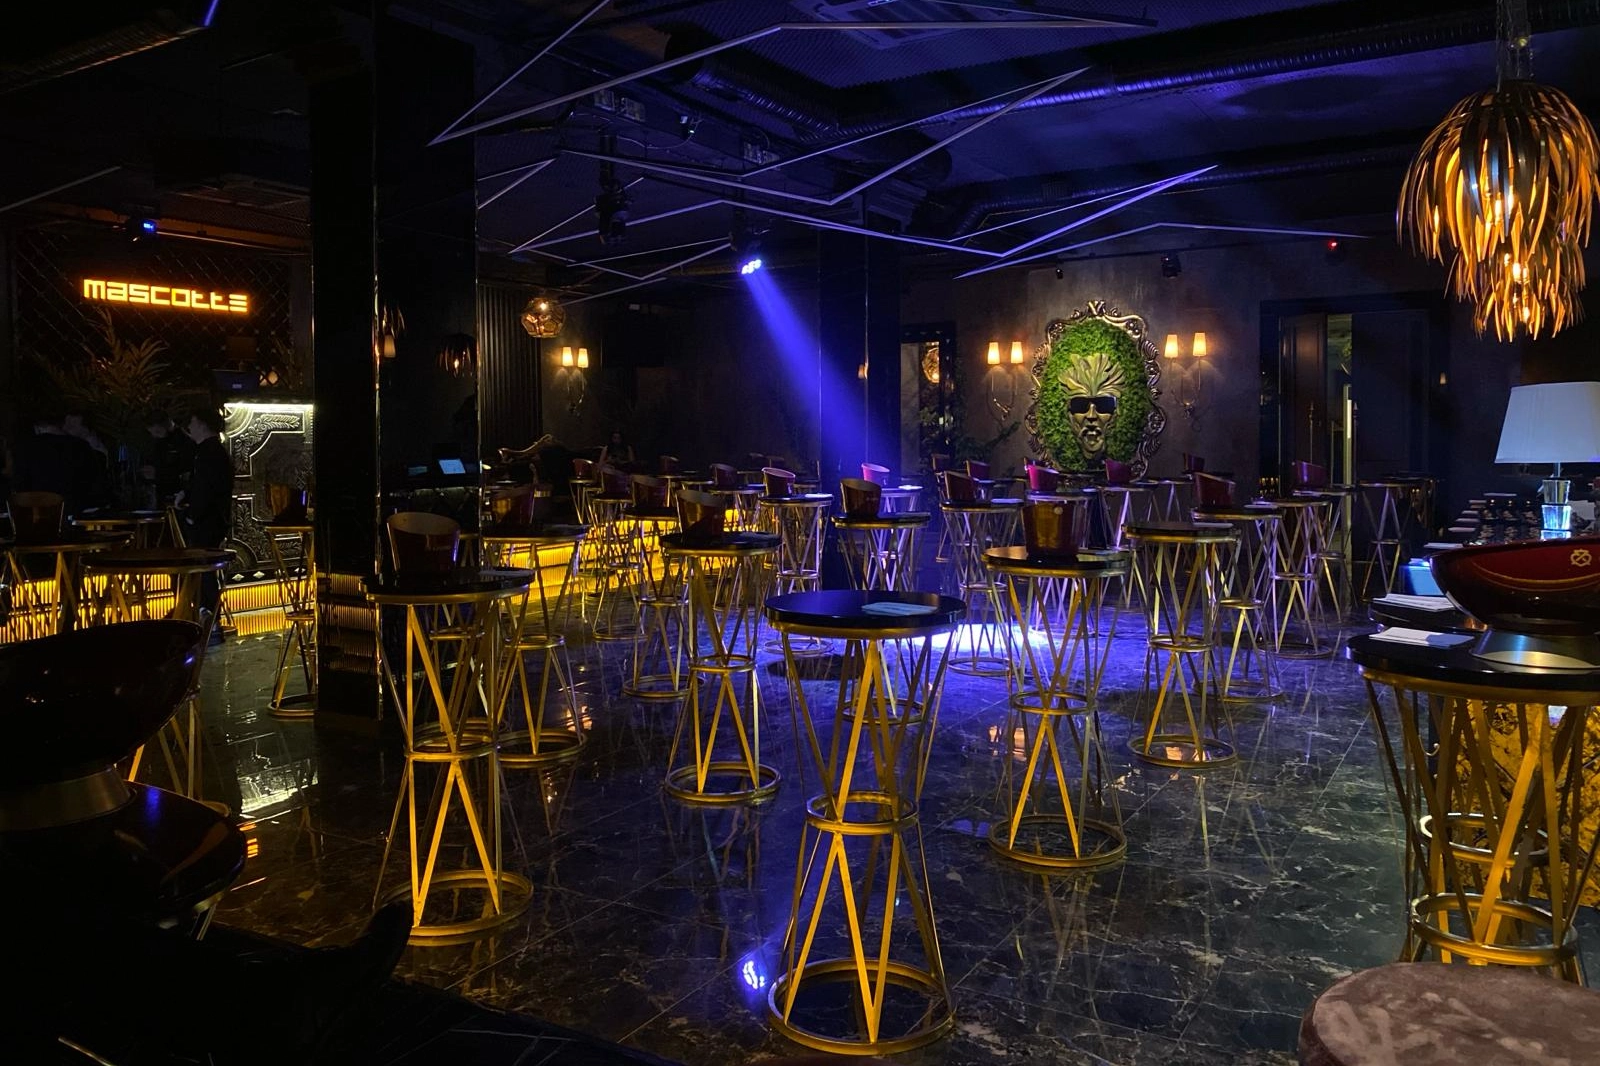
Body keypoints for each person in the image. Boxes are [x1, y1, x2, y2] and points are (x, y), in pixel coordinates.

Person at [176, 405, 233, 633]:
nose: (189, 427)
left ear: (200, 423)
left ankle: (208, 614)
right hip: (214, 519)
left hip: (206, 521)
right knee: (206, 569)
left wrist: (192, 515)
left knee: (203, 568)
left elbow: (205, 489)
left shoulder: (207, 453)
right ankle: (207, 614)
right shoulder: (215, 451)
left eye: (192, 422)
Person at [10, 406, 109, 516]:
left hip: (40, 515)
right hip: (75, 514)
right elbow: (95, 488)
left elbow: (20, 487)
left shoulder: (25, 449)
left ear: (37, 426)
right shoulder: (81, 447)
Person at [140, 408, 194, 507]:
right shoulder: (158, 443)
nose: (154, 435)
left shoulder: (183, 442)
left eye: (157, 432)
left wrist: (158, 474)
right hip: (163, 493)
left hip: (178, 496)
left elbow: (186, 471)